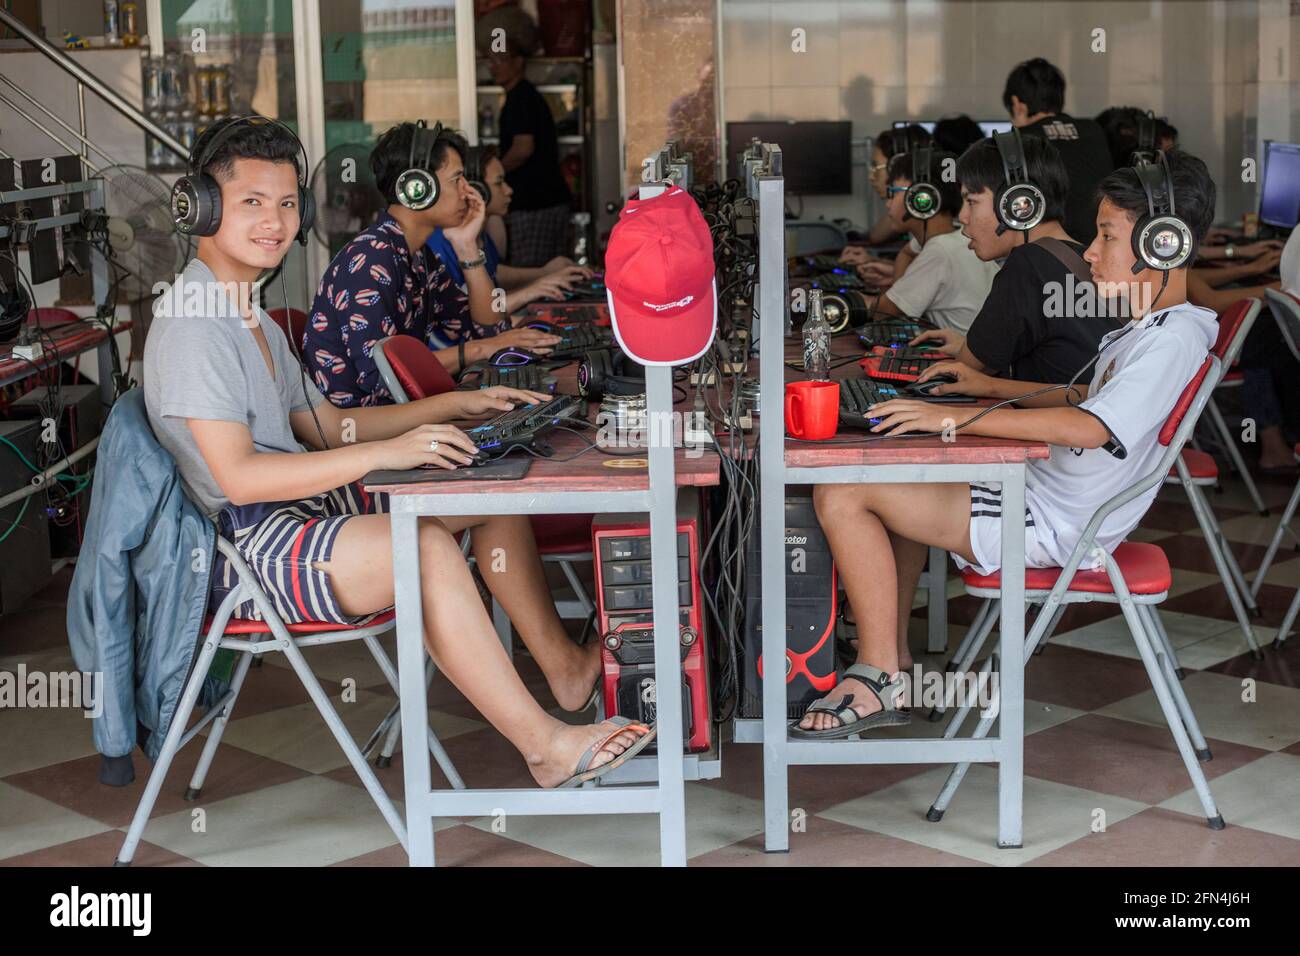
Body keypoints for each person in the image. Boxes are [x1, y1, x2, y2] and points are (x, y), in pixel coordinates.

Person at [144, 117, 653, 784]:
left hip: (303, 505)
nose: (275, 221)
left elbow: (328, 424)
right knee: (426, 547)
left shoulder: (251, 314)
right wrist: (388, 451)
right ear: (201, 207)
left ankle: (566, 672)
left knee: (478, 486)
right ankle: (545, 748)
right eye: (252, 203)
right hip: (246, 545)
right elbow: (239, 479)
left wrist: (448, 413)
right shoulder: (195, 325)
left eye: (288, 203)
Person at [796, 150, 1218, 737]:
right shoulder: (1152, 328)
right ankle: (889, 658)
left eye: (1106, 236)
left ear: (1163, 245)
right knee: (892, 474)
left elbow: (1093, 428)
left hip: (1048, 524)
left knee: (842, 494)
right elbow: (1079, 402)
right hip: (1041, 498)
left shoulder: (1173, 341)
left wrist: (954, 422)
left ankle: (877, 675)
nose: (1091, 252)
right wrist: (987, 387)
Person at [303, 122, 562, 403]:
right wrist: (477, 350)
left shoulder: (419, 257)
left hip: (406, 416)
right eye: (457, 179)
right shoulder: (369, 260)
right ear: (417, 188)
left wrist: (467, 248)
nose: (468, 191)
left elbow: (488, 328)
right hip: (365, 429)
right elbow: (385, 379)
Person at [913, 134, 1122, 383]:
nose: (963, 216)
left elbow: (965, 372)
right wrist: (965, 345)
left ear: (1018, 205)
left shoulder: (1028, 264)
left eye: (971, 201)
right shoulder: (1078, 256)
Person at [425, 143, 592, 332]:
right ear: (478, 189)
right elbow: (468, 315)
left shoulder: (476, 234)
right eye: (499, 182)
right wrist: (534, 288)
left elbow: (494, 274)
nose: (508, 190)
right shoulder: (445, 242)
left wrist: (543, 274)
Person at [864, 150, 999, 334]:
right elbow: (906, 253)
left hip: (963, 357)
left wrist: (854, 301)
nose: (888, 204)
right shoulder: (956, 235)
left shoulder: (940, 251)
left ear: (921, 199)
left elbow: (884, 313)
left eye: (893, 192)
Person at [1003, 58, 1113, 245]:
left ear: (1017, 104)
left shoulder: (1016, 142)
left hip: (1053, 250)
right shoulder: (1093, 129)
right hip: (1102, 245)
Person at [488, 40, 573, 266]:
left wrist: (493, 174)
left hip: (536, 204)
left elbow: (523, 148)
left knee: (534, 273)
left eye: (501, 59)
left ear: (519, 62)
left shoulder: (520, 99)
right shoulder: (522, 96)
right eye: (491, 61)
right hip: (549, 201)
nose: (493, 67)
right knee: (553, 272)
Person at [840, 124, 933, 286]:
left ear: (898, 166)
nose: (871, 176)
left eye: (876, 167)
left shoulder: (934, 228)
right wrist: (874, 261)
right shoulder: (920, 221)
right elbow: (925, 273)